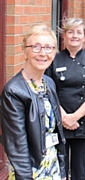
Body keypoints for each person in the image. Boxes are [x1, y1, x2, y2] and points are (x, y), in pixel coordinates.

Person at [0, 24, 66, 179]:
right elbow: (17, 145)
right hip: (30, 170)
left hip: (52, 164)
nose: (43, 53)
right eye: (36, 47)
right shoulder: (14, 91)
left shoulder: (48, 83)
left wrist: (62, 171)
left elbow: (57, 132)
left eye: (49, 47)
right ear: (24, 51)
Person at [45, 18, 85, 180]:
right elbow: (50, 92)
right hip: (58, 123)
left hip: (84, 125)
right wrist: (64, 118)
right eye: (70, 32)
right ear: (64, 36)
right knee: (58, 170)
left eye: (79, 32)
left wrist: (74, 117)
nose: (74, 36)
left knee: (79, 172)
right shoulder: (54, 59)